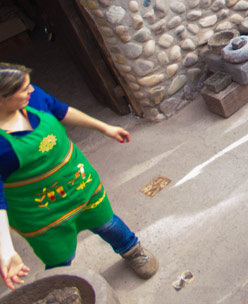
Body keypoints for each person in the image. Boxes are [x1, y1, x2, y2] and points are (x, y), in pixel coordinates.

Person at [0, 63, 157, 289]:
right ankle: (64, 286)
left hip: (81, 186)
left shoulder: (32, 100)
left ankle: (132, 250)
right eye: (23, 89)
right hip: (42, 213)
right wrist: (6, 251)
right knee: (59, 258)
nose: (31, 90)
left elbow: (61, 110)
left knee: (108, 224)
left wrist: (104, 128)